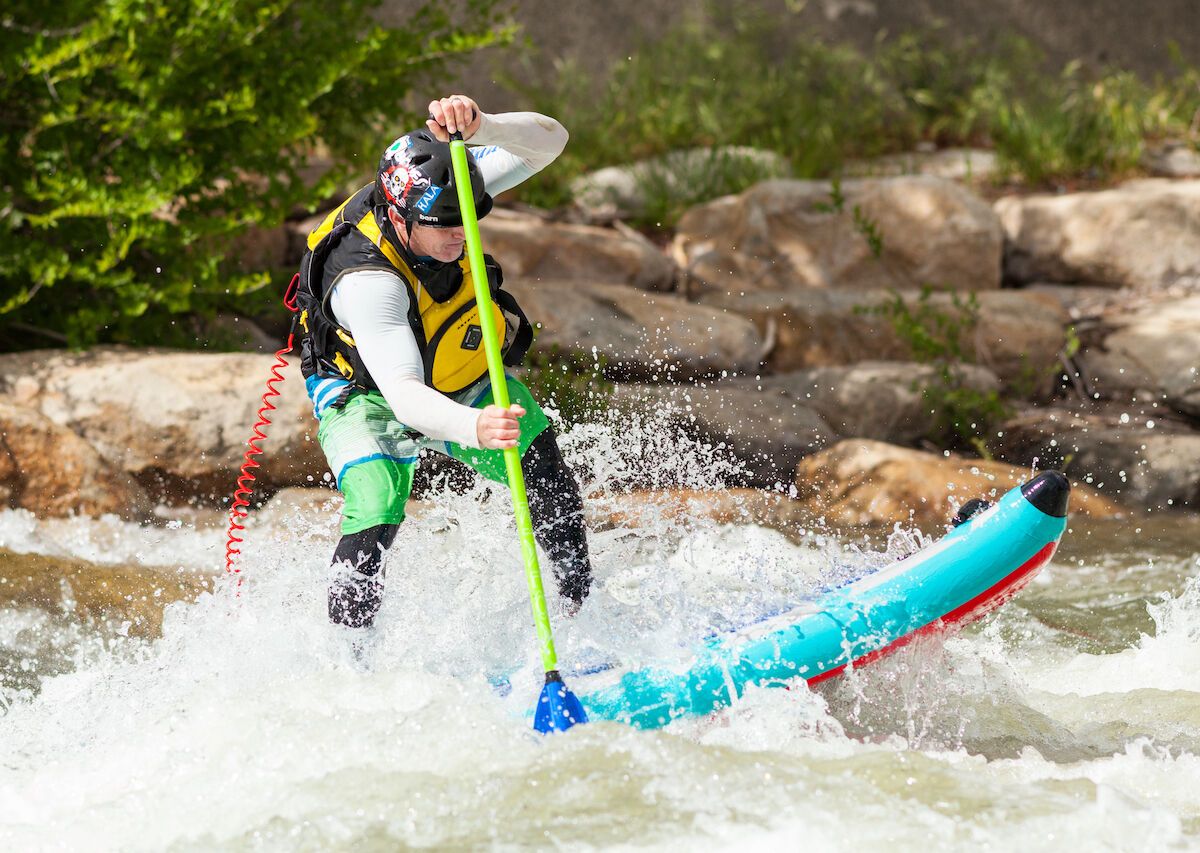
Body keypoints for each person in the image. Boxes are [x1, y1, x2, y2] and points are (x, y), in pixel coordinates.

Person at [290, 95, 592, 634]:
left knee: (544, 470)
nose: (461, 232)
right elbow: (405, 395)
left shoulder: (446, 193)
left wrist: (484, 126)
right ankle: (349, 658)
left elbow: (552, 141)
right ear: (399, 218)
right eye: (444, 225)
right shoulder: (367, 283)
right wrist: (474, 427)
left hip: (451, 372)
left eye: (468, 217)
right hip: (368, 391)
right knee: (377, 505)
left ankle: (581, 617)